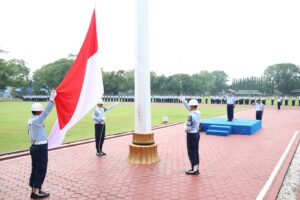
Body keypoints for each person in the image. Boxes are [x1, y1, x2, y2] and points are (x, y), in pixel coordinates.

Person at [27, 90, 57, 199]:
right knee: (41, 168)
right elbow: (46, 113)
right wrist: (51, 99)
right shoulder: (37, 121)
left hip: (34, 147)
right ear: (39, 112)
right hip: (40, 147)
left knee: (35, 167)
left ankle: (34, 189)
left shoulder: (31, 120)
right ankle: (37, 191)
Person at [180, 97, 201, 175]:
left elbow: (188, 127)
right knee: (195, 151)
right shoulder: (197, 113)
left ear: (191, 106)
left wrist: (184, 128)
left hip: (191, 135)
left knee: (191, 152)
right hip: (196, 134)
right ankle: (196, 168)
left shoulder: (191, 116)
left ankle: (194, 169)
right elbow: (190, 109)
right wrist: (184, 101)